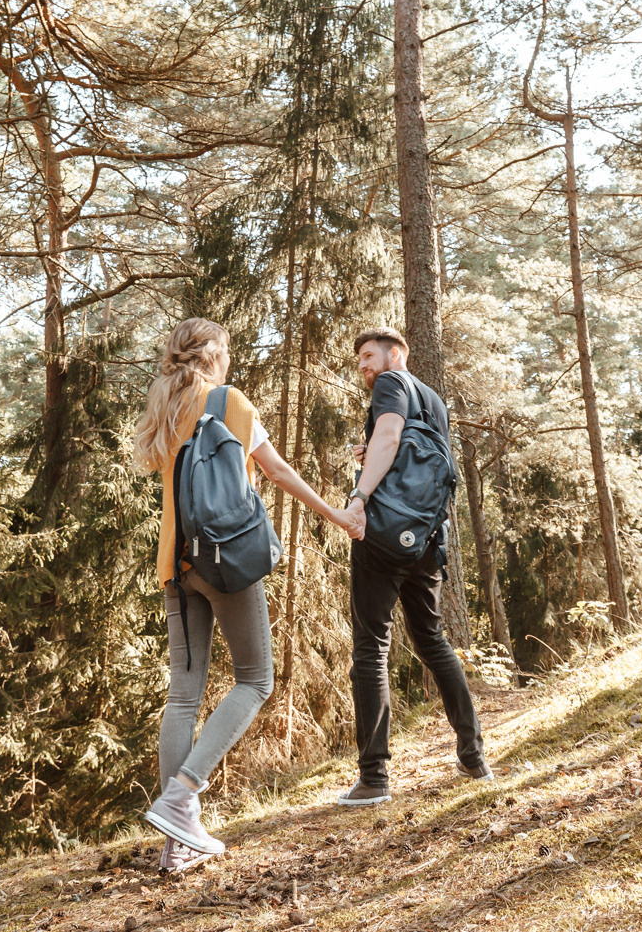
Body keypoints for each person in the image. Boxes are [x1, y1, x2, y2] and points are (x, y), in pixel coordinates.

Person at [133, 318, 359, 871]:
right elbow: (277, 471)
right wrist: (337, 514)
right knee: (256, 679)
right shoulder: (228, 401)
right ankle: (183, 794)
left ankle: (176, 843)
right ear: (214, 355)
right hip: (226, 561)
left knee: (182, 697)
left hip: (175, 564)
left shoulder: (163, 405)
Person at [336, 327, 490, 805]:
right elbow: (418, 460)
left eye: (368, 355)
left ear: (395, 353)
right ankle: (473, 755)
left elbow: (389, 434)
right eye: (359, 360)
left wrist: (360, 495)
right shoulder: (434, 400)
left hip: (382, 535)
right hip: (427, 537)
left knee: (371, 646)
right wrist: (374, 457)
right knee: (432, 640)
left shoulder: (391, 383)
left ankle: (374, 778)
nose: (363, 366)